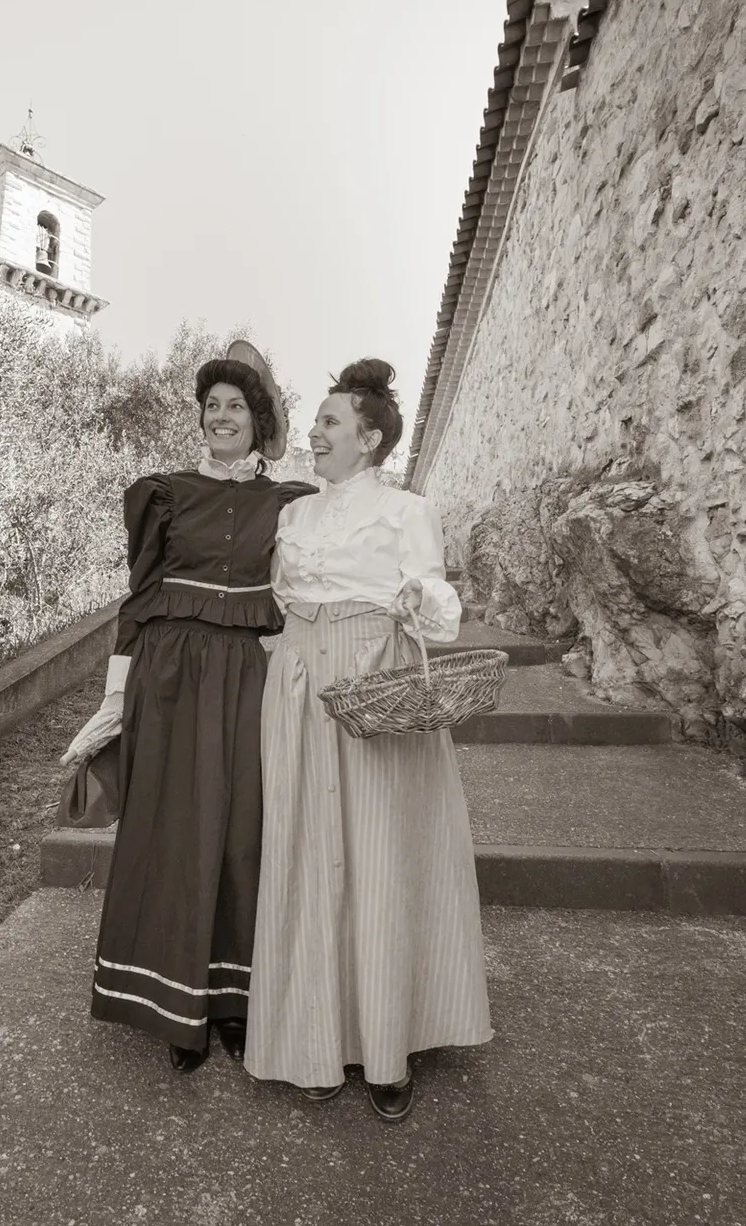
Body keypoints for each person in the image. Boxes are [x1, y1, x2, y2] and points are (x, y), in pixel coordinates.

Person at [244, 358, 492, 1123]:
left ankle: (389, 1044)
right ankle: (313, 1039)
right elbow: (284, 599)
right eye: (317, 422)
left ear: (369, 435)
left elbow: (439, 600)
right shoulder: (294, 517)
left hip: (373, 680)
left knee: (382, 852)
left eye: (328, 422)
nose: (313, 433)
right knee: (305, 851)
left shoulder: (407, 511)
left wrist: (417, 597)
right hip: (295, 683)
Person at [61, 342, 316, 1073]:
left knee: (243, 828)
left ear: (258, 418)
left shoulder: (288, 503)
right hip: (170, 675)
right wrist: (115, 696)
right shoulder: (163, 494)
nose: (221, 416)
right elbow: (138, 601)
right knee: (176, 829)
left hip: (247, 674)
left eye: (235, 405)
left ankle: (233, 1002)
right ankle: (176, 1008)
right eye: (211, 406)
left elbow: (308, 586)